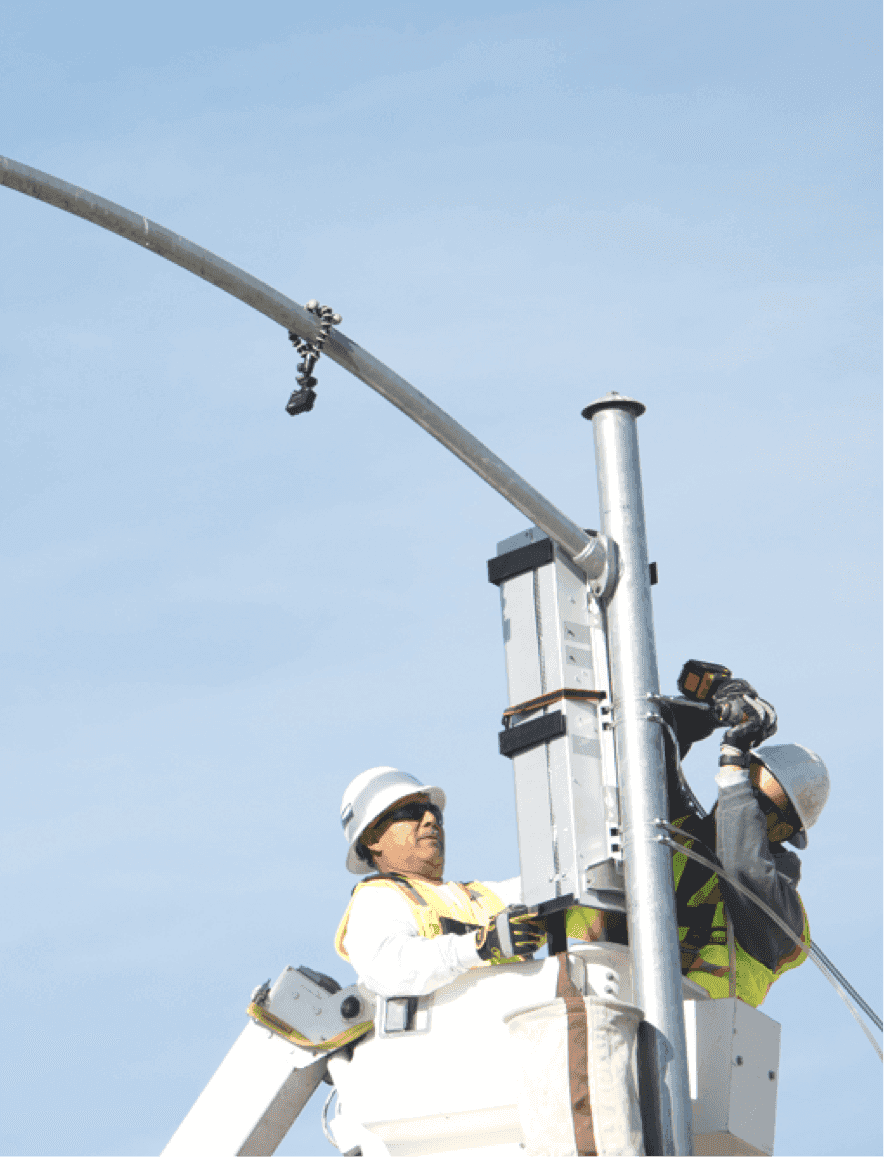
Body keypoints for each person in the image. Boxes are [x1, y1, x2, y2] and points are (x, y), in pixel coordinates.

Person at [566, 664, 830, 1007]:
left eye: (767, 804)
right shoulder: (676, 837)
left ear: (784, 832)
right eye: (749, 781)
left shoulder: (784, 916)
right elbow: (646, 754)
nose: (747, 801)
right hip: (606, 1007)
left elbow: (744, 867)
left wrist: (735, 760)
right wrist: (711, 712)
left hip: (695, 1042)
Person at [334, 767, 547, 997]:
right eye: (412, 811)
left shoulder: (482, 897)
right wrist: (479, 945)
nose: (431, 819)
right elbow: (393, 970)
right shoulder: (376, 899)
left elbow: (559, 883)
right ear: (372, 838)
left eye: (434, 812)